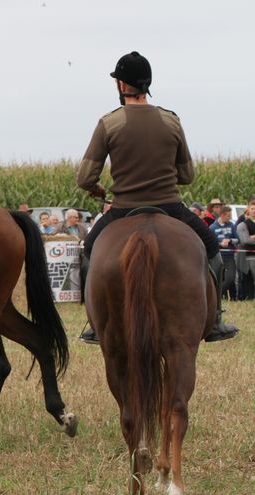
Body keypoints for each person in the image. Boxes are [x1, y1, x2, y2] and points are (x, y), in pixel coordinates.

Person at [75, 50, 237, 343]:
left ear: (122, 86)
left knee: (89, 251)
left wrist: (98, 191)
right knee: (211, 248)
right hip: (171, 208)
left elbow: (84, 178)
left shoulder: (108, 123)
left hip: (123, 209)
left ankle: (96, 322)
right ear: (146, 84)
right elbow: (187, 175)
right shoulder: (171, 121)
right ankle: (215, 320)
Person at [209, 206, 238, 300]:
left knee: (230, 278)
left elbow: (238, 240)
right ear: (222, 215)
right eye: (228, 216)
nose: (230, 218)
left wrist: (229, 241)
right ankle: (219, 297)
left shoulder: (232, 226)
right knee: (218, 278)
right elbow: (210, 242)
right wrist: (220, 244)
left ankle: (217, 294)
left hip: (230, 257)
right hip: (218, 256)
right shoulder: (212, 228)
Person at [235, 206, 255, 300]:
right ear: (248, 211)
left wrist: (253, 237)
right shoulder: (242, 225)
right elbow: (245, 240)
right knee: (248, 281)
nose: (254, 211)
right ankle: (249, 299)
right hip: (249, 257)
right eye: (252, 209)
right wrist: (249, 238)